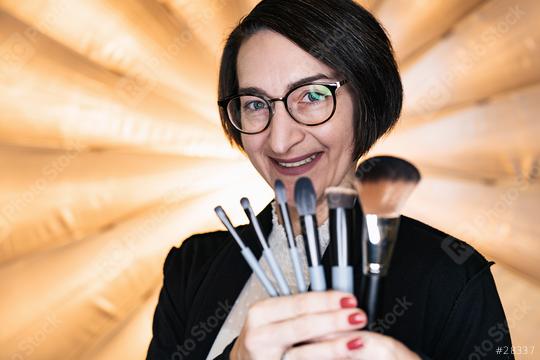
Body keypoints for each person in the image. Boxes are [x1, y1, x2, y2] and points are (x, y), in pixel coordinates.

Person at [147, 0, 513, 359]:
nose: (280, 139)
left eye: (313, 95)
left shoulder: (449, 276)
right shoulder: (192, 268)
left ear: (366, 99)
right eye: (256, 104)